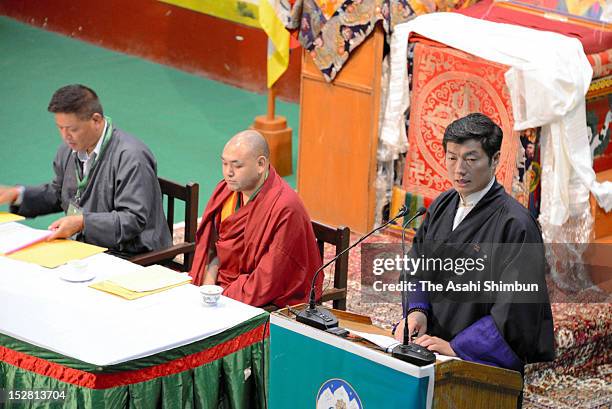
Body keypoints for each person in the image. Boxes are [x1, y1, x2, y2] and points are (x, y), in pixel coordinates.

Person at [393, 113, 554, 374]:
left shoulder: (516, 225)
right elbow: (417, 265)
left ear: (495, 160)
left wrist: (458, 347)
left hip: (476, 359)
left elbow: (515, 310)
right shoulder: (443, 204)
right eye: (452, 157)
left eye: (471, 159)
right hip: (429, 345)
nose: (459, 169)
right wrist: (417, 311)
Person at [0, 84, 171, 257]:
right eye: (60, 128)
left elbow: (133, 220)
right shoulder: (67, 150)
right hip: (90, 247)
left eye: (72, 129)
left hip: (132, 254)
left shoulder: (131, 157)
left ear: (96, 120)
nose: (65, 136)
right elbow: (58, 194)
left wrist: (83, 223)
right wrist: (18, 194)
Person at [190, 130, 322, 307]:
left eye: (237, 166)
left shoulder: (284, 207)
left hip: (261, 296)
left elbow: (269, 278)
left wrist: (222, 300)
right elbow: (212, 248)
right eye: (224, 164)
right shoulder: (225, 191)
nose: (228, 173)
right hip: (222, 287)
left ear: (261, 164)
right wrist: (207, 285)